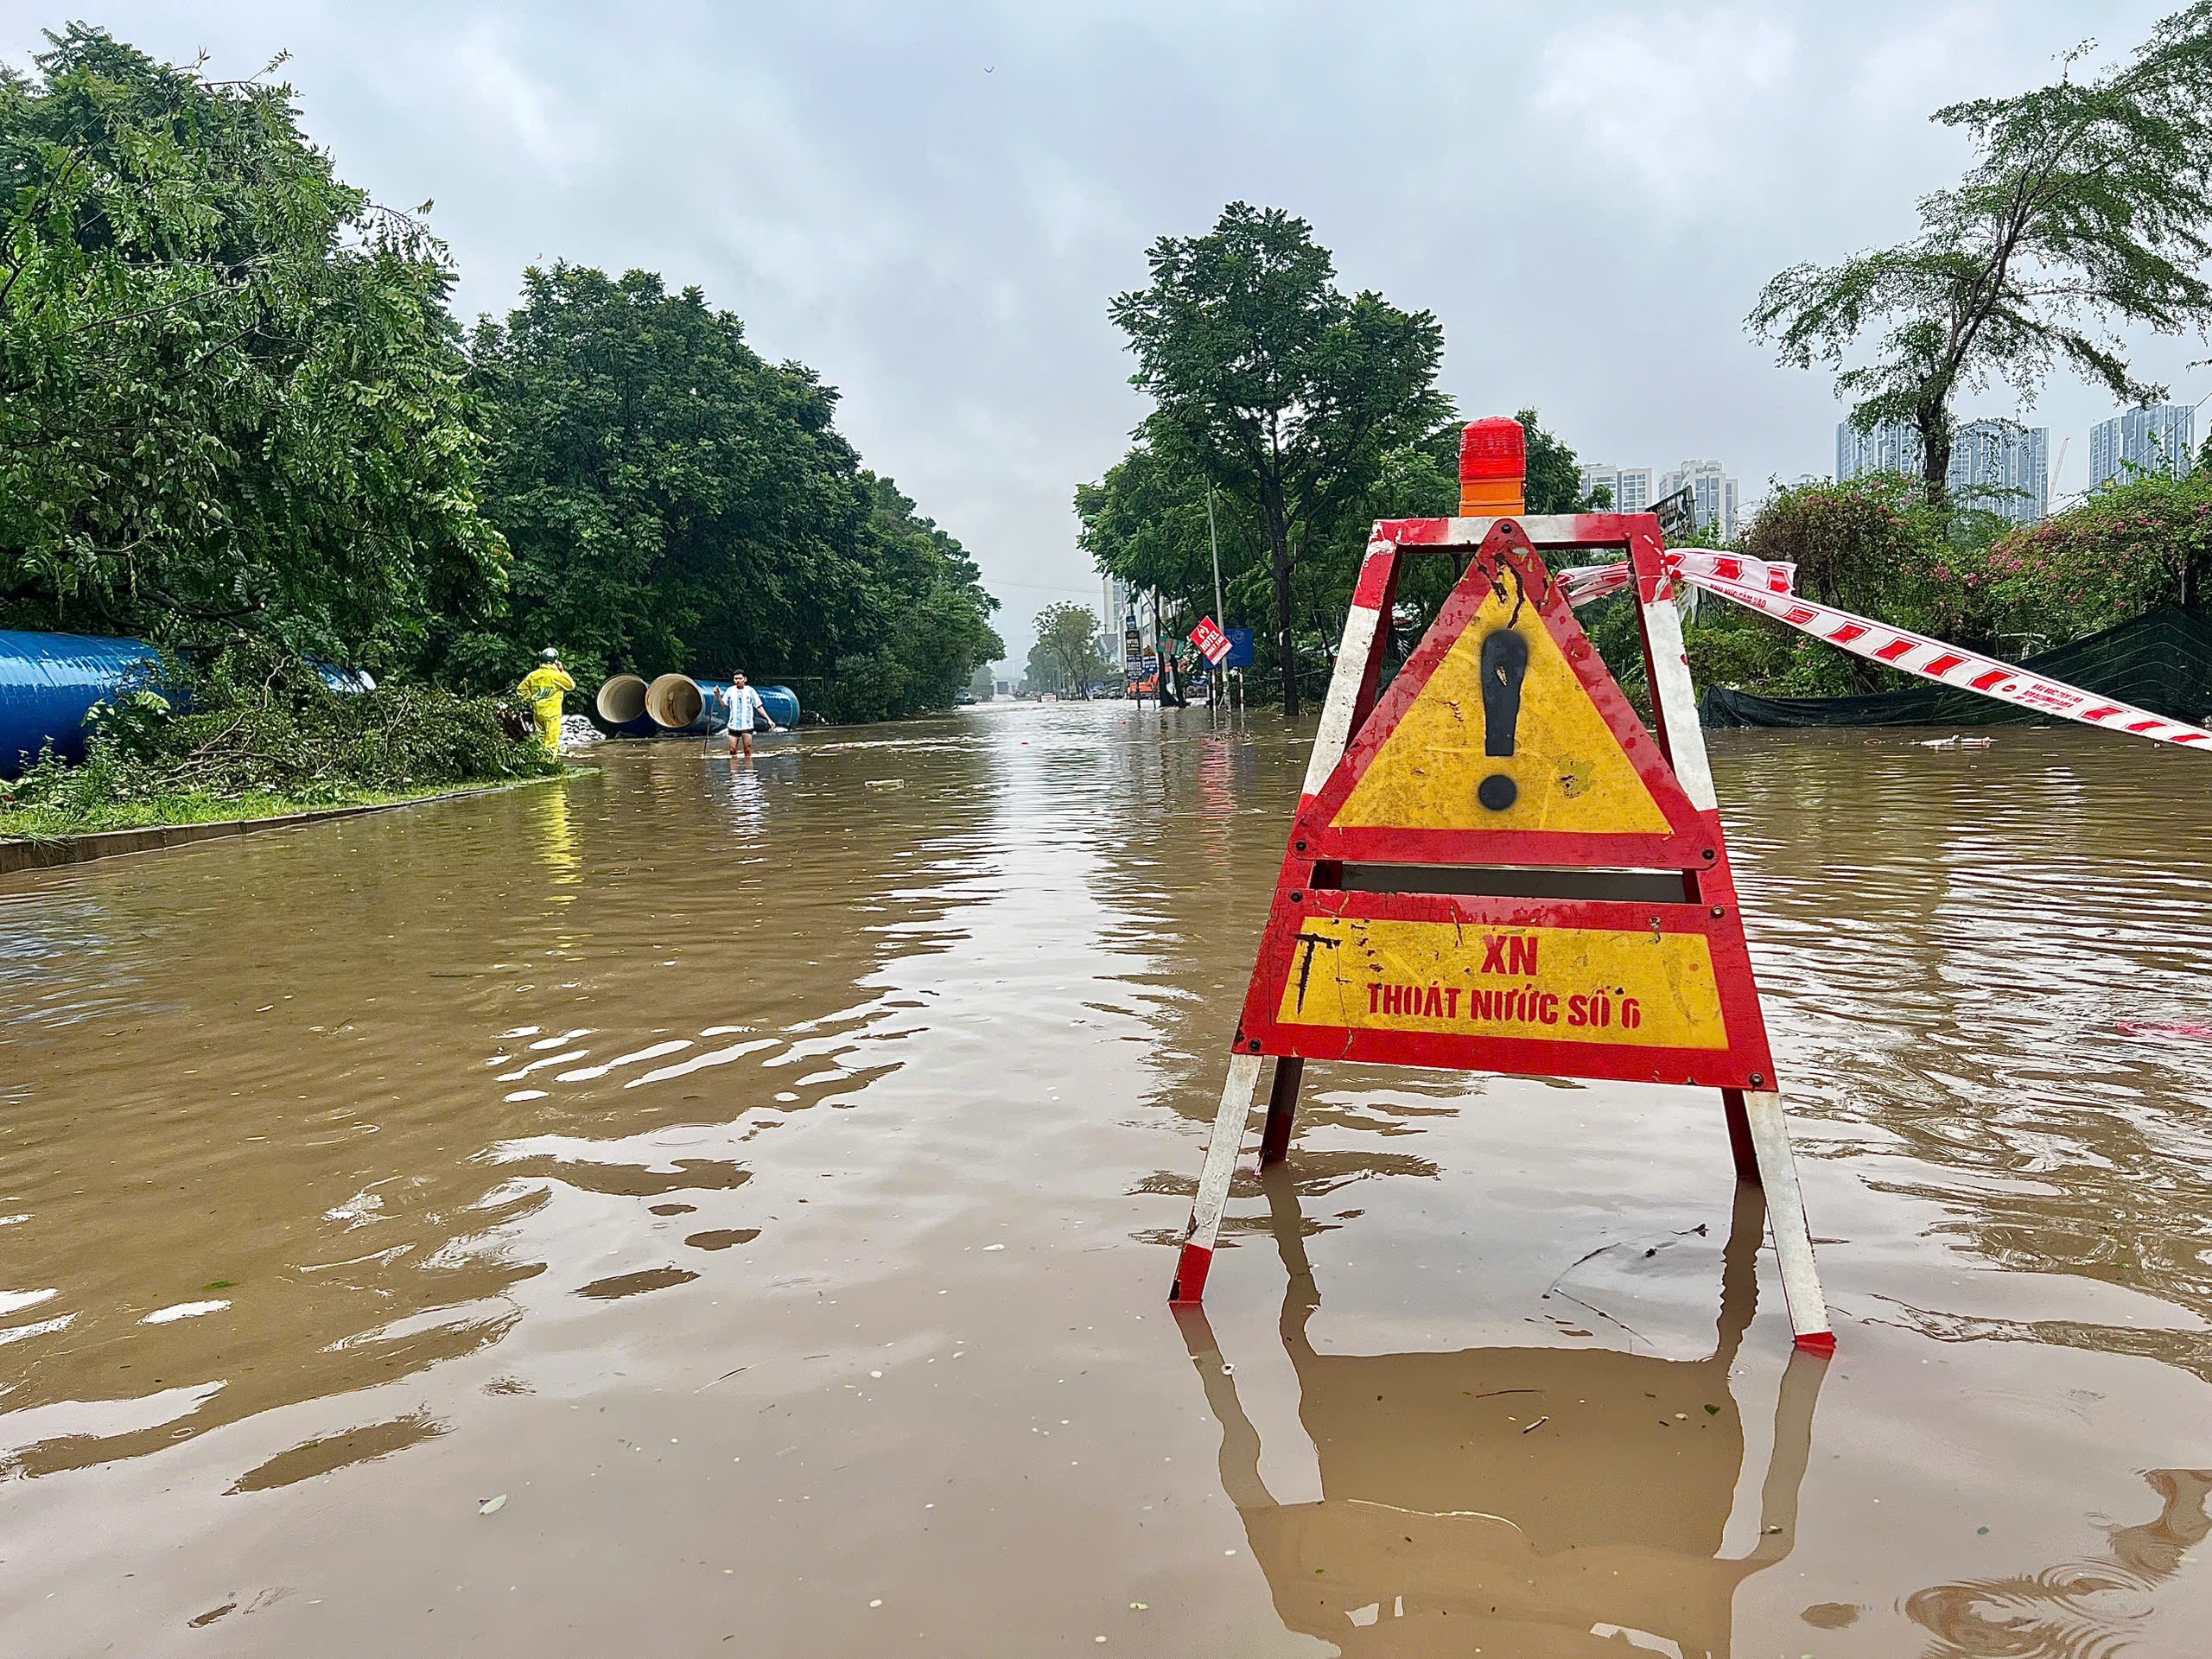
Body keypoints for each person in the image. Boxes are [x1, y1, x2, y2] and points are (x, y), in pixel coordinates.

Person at [518, 647, 575, 753]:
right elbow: (571, 685)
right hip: (552, 715)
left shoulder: (533, 675)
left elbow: (521, 690)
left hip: (538, 713)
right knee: (552, 743)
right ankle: (550, 762)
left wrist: (531, 699)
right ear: (555, 662)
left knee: (540, 741)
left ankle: (539, 760)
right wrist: (562, 671)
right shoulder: (557, 675)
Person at [723, 671, 781, 759]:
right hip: (733, 725)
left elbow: (758, 706)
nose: (738, 681)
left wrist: (769, 719)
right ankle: (734, 767)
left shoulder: (750, 691)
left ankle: (749, 767)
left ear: (745, 679)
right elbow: (724, 706)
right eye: (736, 679)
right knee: (732, 750)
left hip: (747, 725)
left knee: (747, 750)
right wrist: (718, 696)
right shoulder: (730, 691)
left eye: (740, 678)